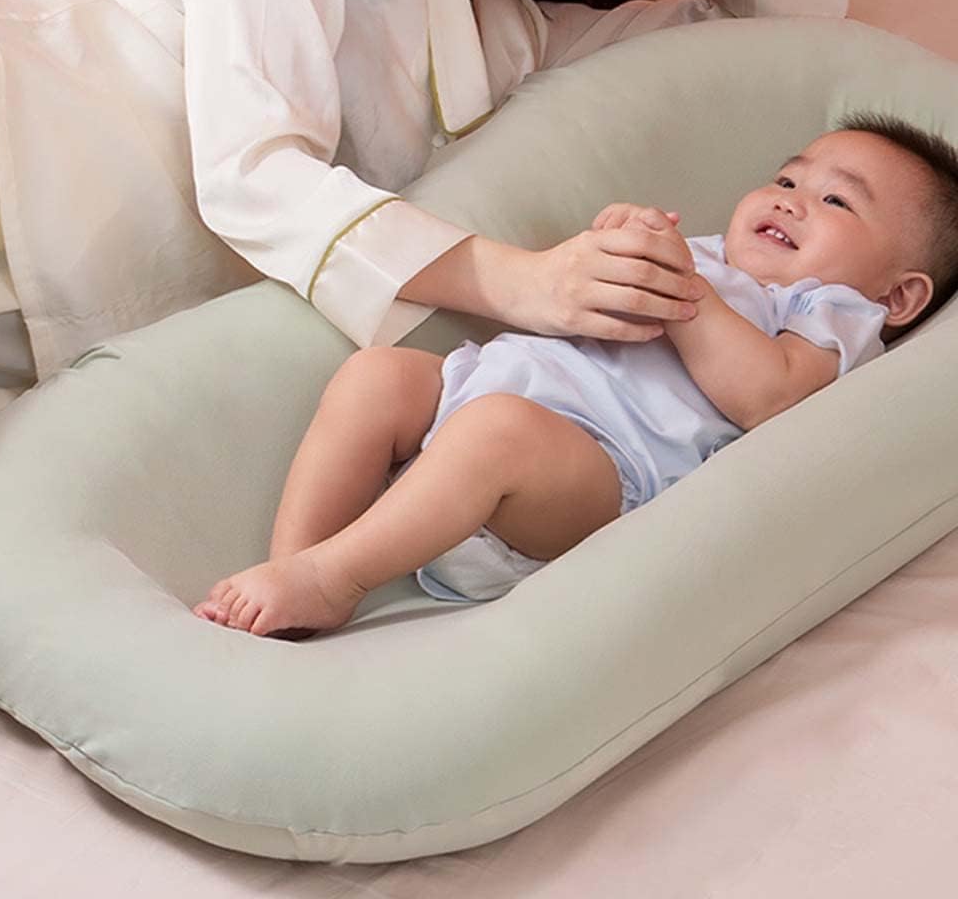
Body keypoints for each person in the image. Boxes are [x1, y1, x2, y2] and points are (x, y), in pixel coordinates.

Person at [0, 0, 855, 441]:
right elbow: (252, 172)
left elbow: (788, 44)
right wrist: (524, 281)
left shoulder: (512, 35)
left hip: (59, 311)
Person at [193, 114, 958, 637]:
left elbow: (770, 395)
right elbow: (581, 303)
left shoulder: (830, 312)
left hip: (594, 477)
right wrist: (622, 245)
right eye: (787, 181)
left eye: (835, 201)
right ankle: (294, 566)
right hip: (488, 393)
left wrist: (682, 287)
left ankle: (334, 580)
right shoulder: (709, 256)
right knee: (375, 375)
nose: (790, 204)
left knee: (496, 434)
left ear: (898, 296)